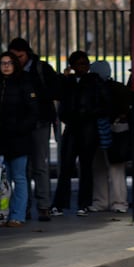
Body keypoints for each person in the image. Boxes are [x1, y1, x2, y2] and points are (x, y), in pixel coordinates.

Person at [7, 37, 62, 221]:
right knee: (24, 169)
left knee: (39, 165)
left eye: (20, 56)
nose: (17, 60)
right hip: (21, 126)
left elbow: (55, 90)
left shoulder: (41, 69)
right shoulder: (12, 72)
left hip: (39, 123)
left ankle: (43, 205)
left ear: (27, 53)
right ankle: (26, 206)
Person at [51, 50, 108, 216]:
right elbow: (58, 97)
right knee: (66, 168)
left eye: (85, 63)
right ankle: (59, 204)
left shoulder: (95, 81)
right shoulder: (68, 82)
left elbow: (105, 104)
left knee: (86, 167)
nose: (83, 67)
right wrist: (63, 78)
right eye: (79, 64)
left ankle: (84, 203)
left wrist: (89, 112)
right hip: (72, 128)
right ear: (72, 66)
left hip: (88, 128)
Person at [0, 52, 38, 226]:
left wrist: (20, 129)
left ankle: (18, 215)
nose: (6, 66)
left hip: (19, 139)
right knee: (2, 181)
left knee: (19, 178)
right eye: (3, 63)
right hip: (0, 140)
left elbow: (33, 112)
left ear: (15, 65)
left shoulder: (24, 84)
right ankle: (3, 213)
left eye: (9, 63)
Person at [89, 60, 129, 214]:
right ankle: (119, 202)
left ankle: (100, 202)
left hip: (97, 131)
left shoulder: (91, 89)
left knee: (99, 168)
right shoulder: (119, 88)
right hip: (116, 131)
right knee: (116, 169)